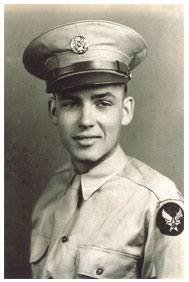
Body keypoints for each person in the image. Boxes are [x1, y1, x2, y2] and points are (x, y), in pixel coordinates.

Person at [23, 20, 184, 279]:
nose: (86, 120)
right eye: (71, 104)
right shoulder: (52, 191)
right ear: (54, 111)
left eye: (103, 103)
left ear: (126, 110)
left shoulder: (157, 203)